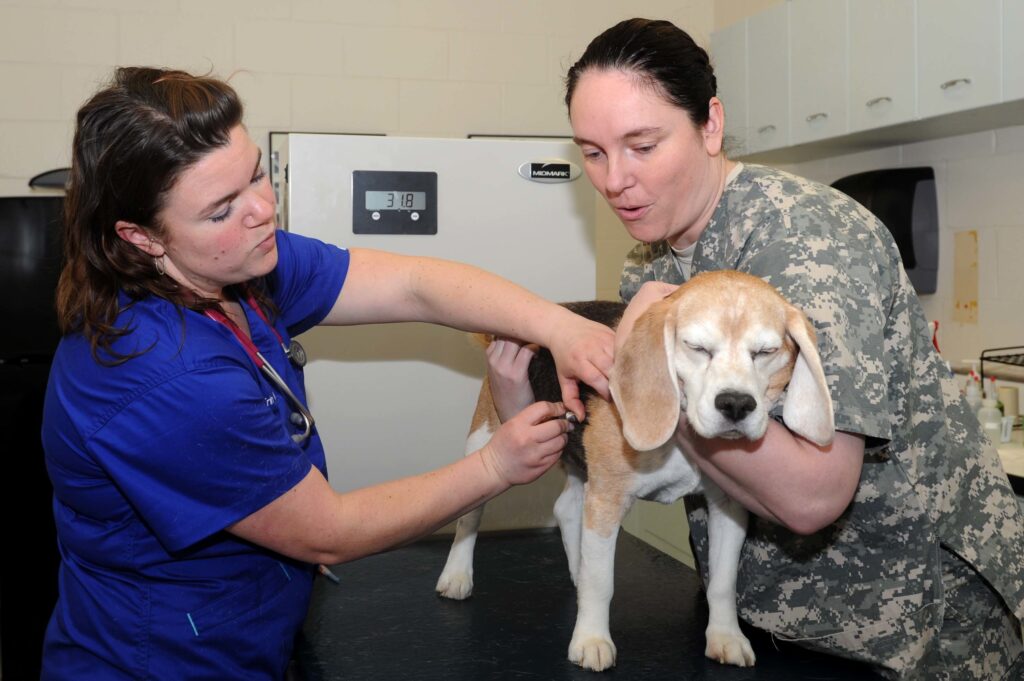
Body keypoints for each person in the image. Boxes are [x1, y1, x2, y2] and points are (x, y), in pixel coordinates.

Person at [40, 66, 614, 680]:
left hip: (250, 637)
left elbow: (414, 286)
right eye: (221, 209)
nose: (264, 209)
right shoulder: (163, 376)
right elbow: (329, 531)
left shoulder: (236, 266)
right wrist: (494, 466)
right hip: (162, 665)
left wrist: (561, 327)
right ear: (141, 238)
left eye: (256, 172)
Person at [556, 17, 1024, 681]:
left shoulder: (808, 242)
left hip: (920, 629)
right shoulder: (652, 256)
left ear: (710, 125)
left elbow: (812, 496)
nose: (614, 179)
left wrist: (662, 383)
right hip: (772, 619)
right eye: (594, 152)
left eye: (642, 144)